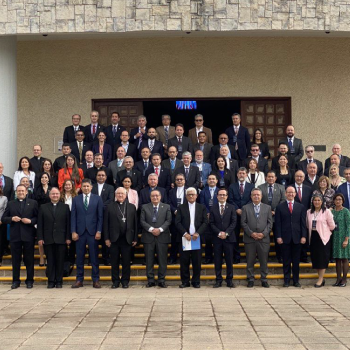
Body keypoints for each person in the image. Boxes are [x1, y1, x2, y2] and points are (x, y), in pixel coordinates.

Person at [2, 184, 38, 289]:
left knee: (29, 260)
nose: (21, 193)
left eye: (23, 191)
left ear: (26, 192)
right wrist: (12, 219)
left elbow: (37, 217)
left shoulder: (33, 203)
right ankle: (16, 281)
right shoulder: (11, 203)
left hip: (28, 236)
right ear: (16, 192)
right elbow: (4, 218)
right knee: (15, 260)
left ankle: (30, 280)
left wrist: (31, 221)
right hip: (15, 236)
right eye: (19, 191)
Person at [71, 179, 103, 289]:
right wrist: (73, 231)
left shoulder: (97, 199)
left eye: (87, 186)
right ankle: (79, 279)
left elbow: (100, 216)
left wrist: (99, 231)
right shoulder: (76, 199)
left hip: (93, 232)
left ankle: (96, 280)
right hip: (80, 232)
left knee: (94, 257)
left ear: (91, 187)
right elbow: (73, 216)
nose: (85, 188)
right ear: (81, 187)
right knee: (79, 257)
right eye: (84, 186)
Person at [37, 187, 71, 288]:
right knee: (50, 260)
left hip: (61, 238)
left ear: (59, 195)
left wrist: (68, 237)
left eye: (56, 194)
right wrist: (40, 238)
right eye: (53, 194)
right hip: (48, 238)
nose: (55, 195)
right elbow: (40, 224)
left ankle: (59, 281)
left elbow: (68, 224)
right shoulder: (43, 207)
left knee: (60, 261)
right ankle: (51, 281)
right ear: (49, 195)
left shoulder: (65, 207)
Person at [104, 187, 138, 289]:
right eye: (118, 194)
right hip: (114, 239)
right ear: (115, 195)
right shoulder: (109, 207)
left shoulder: (132, 207)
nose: (120, 195)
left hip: (127, 238)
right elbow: (105, 224)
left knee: (126, 261)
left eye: (122, 194)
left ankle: (125, 281)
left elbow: (135, 224)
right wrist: (106, 238)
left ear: (126, 195)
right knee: (114, 261)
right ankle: (115, 281)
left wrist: (135, 238)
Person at [275, 186, 307, 287]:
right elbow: (278, 224)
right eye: (288, 193)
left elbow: (303, 223)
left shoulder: (301, 207)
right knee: (286, 260)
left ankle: (296, 280)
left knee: (296, 261)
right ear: (285, 194)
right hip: (285, 238)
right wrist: (278, 236)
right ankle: (287, 280)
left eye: (292, 192)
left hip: (297, 237)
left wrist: (304, 236)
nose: (290, 194)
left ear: (295, 194)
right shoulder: (280, 207)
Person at [175, 188, 207, 288]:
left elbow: (205, 222)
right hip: (185, 238)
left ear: (196, 196)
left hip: (196, 238)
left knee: (197, 261)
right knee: (184, 261)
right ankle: (185, 281)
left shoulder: (202, 207)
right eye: (189, 195)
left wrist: (198, 233)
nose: (191, 196)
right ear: (186, 196)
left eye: (193, 194)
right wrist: (185, 233)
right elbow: (177, 222)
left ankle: (196, 281)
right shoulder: (181, 207)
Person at [140, 189, 172, 288]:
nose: (155, 197)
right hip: (148, 236)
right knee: (149, 260)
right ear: (150, 197)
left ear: (160, 197)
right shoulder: (144, 207)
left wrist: (160, 229)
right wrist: (152, 229)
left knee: (162, 259)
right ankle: (150, 280)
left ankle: (161, 280)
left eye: (157, 196)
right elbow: (142, 220)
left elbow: (168, 220)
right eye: (153, 196)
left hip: (162, 236)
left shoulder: (166, 207)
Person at [241, 188, 273, 288]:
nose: (256, 196)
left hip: (263, 239)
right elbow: (243, 223)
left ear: (261, 196)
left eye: (258, 195)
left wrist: (263, 233)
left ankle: (264, 279)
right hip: (250, 239)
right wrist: (251, 233)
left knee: (263, 260)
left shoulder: (267, 208)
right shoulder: (245, 208)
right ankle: (250, 279)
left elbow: (270, 223)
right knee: (250, 260)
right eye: (254, 195)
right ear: (251, 196)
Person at [306, 193, 335, 288]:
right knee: (315, 258)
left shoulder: (326, 212)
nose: (317, 202)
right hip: (313, 237)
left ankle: (320, 279)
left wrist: (325, 232)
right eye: (315, 200)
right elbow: (307, 224)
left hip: (323, 238)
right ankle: (320, 278)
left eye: (319, 200)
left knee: (322, 259)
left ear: (322, 202)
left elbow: (332, 226)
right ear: (312, 202)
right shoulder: (309, 212)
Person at [210, 188, 237, 288]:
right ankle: (218, 280)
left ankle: (229, 280)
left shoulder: (231, 207)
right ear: (217, 196)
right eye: (220, 195)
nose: (222, 196)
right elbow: (211, 223)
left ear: (227, 196)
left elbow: (234, 222)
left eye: (224, 195)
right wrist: (219, 233)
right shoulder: (213, 208)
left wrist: (226, 233)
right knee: (217, 260)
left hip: (228, 238)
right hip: (217, 238)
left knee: (229, 260)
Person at [259, 170, 286, 264]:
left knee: (278, 237)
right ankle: (263, 257)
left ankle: (280, 256)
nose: (270, 178)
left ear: (275, 178)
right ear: (266, 178)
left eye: (272, 177)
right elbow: (258, 200)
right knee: (263, 238)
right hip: (264, 217)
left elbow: (283, 200)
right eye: (269, 177)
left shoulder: (281, 187)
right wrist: (267, 211)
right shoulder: (260, 187)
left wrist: (275, 210)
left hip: (277, 216)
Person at [228, 167, 254, 263]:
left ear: (246, 175)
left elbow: (251, 199)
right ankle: (236, 257)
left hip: (247, 215)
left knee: (249, 236)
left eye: (243, 173)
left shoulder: (251, 186)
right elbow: (230, 200)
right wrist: (237, 209)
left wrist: (243, 209)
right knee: (235, 236)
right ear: (237, 175)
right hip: (235, 215)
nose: (241, 175)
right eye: (240, 173)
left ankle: (250, 258)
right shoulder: (232, 186)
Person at [199, 174, 219, 264]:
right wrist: (207, 212)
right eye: (210, 179)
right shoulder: (203, 191)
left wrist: (213, 213)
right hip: (206, 218)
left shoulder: (220, 191)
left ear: (216, 181)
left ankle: (217, 258)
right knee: (208, 240)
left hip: (217, 218)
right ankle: (208, 258)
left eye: (213, 179)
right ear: (207, 181)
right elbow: (202, 203)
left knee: (217, 240)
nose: (211, 180)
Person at [168, 173, 187, 264]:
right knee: (174, 239)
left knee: (186, 237)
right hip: (174, 217)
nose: (179, 181)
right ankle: (173, 257)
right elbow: (169, 203)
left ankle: (186, 258)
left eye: (181, 179)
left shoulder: (189, 190)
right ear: (175, 181)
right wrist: (174, 210)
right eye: (177, 179)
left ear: (184, 181)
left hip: (186, 218)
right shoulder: (171, 191)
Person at [332, 193, 350, 287]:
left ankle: (344, 279)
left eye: (339, 199)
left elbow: (348, 226)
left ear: (342, 201)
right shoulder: (332, 211)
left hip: (343, 237)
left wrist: (346, 239)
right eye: (336, 199)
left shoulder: (346, 211)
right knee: (337, 259)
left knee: (344, 258)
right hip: (335, 237)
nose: (338, 201)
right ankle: (338, 278)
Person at [60, 179, 77, 274]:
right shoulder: (60, 197)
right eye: (66, 185)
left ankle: (71, 260)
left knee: (72, 241)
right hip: (62, 220)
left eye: (69, 185)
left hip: (73, 220)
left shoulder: (76, 197)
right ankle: (65, 260)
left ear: (72, 186)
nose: (67, 186)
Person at [0, 188, 8, 266]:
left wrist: (2, 220)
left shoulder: (4, 198)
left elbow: (6, 210)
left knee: (1, 242)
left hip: (1, 223)